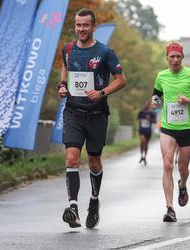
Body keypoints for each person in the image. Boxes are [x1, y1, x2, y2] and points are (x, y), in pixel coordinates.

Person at [58, 8, 126, 228]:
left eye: (85, 25)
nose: (81, 29)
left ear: (93, 27)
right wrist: (62, 86)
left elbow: (121, 79)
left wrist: (102, 92)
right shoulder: (67, 49)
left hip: (97, 114)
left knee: (94, 160)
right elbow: (65, 67)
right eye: (78, 25)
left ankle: (94, 202)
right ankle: (73, 207)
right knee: (71, 157)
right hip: (73, 112)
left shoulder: (105, 52)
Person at [151, 42, 190, 222]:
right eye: (172, 57)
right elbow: (156, 94)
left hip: (187, 128)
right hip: (168, 127)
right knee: (167, 164)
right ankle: (170, 208)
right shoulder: (161, 76)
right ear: (167, 58)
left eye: (178, 56)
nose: (175, 60)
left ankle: (182, 184)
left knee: (182, 168)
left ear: (182, 57)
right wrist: (154, 102)